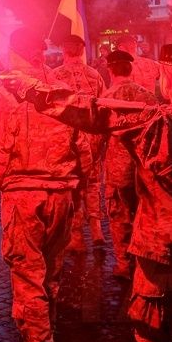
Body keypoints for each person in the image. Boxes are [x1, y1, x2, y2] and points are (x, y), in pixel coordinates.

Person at [2, 41, 172, 342]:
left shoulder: (157, 124)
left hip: (163, 257)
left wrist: (29, 87)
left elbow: (90, 109)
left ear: (166, 79)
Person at [0, 28, 92, 342]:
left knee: (28, 277)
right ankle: (40, 326)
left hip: (24, 196)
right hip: (61, 194)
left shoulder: (6, 95)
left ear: (15, 53)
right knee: (50, 274)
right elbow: (83, 145)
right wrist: (81, 187)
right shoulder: (61, 89)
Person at [101, 49, 157, 278]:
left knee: (119, 216)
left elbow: (97, 136)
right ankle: (146, 263)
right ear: (131, 69)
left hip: (118, 169)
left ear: (110, 70)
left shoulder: (106, 98)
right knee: (145, 214)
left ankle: (124, 264)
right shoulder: (148, 97)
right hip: (144, 167)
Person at [52, 34, 107, 251]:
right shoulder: (94, 75)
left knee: (73, 184)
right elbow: (103, 106)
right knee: (93, 182)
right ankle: (96, 228)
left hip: (68, 139)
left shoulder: (55, 76)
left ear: (63, 50)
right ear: (82, 50)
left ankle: (76, 236)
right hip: (92, 137)